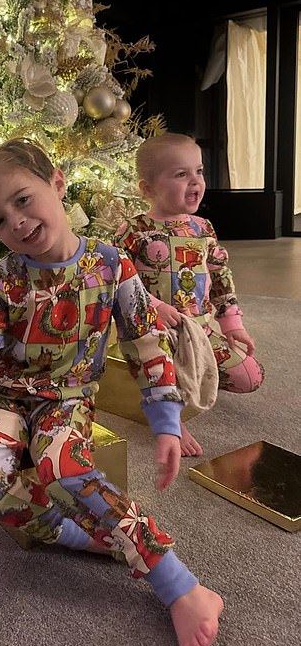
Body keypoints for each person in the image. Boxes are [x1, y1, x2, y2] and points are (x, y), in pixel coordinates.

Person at [0, 138, 223, 646]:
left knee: (63, 468)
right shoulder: (4, 279)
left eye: (22, 201)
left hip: (67, 396)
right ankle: (76, 536)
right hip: (6, 394)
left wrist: (166, 422)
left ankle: (181, 587)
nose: (16, 224)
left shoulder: (112, 266)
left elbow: (146, 344)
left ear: (58, 182)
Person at [114, 132, 264, 456]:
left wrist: (233, 325)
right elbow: (115, 276)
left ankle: (192, 377)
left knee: (250, 376)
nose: (195, 181)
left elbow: (221, 276)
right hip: (156, 329)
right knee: (158, 362)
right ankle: (168, 418)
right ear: (148, 188)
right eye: (181, 174)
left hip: (199, 325)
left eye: (198, 171)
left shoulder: (203, 228)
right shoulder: (134, 230)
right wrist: (151, 306)